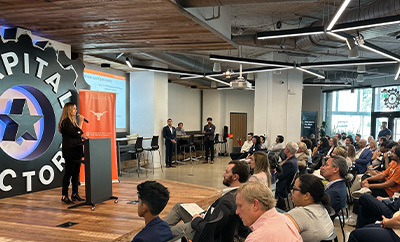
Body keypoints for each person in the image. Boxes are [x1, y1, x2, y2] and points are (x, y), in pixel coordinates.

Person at [163, 160, 249, 241]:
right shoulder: (237, 193)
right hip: (205, 217)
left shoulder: (228, 201)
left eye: (226, 172)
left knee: (165, 230)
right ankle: (157, 228)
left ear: (235, 177)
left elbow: (210, 230)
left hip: (199, 230)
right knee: (180, 206)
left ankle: (156, 230)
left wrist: (197, 219)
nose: (223, 174)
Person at [235, 181, 302, 242]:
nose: (237, 212)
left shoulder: (256, 238)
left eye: (240, 206)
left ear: (255, 205)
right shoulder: (286, 220)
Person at [286, 174, 335, 241]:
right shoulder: (321, 208)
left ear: (307, 195)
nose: (291, 191)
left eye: (294, 189)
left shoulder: (300, 213)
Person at [59, 102, 86, 204]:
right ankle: (64, 195)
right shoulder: (65, 122)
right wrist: (81, 122)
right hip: (70, 151)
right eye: (74, 109)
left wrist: (81, 137)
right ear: (69, 110)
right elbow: (76, 133)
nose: (76, 111)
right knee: (68, 174)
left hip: (77, 151)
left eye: (76, 108)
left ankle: (75, 193)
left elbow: (77, 135)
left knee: (76, 174)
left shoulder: (73, 122)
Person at [276, 142, 299, 211]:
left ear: (288, 150)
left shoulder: (290, 163)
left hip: (282, 187)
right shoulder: (292, 159)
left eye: (285, 147)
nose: (284, 149)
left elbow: (279, 176)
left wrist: (274, 172)